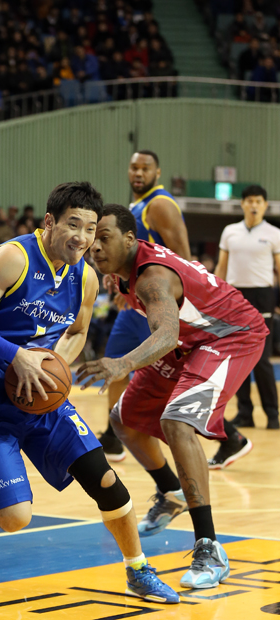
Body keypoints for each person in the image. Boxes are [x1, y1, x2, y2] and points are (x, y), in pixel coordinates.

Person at [0, 183, 179, 605]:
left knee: (106, 480)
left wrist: (55, 368)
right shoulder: (13, 258)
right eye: (74, 225)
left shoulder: (85, 278)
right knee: (15, 519)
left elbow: (76, 332)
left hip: (41, 394)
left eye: (90, 229)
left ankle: (138, 570)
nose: (83, 238)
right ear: (50, 222)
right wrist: (16, 356)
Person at [77, 204, 268, 588]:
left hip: (230, 336)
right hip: (190, 342)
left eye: (104, 238)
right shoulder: (129, 269)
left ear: (129, 239)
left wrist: (123, 363)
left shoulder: (152, 279)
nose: (95, 247)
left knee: (177, 422)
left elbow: (165, 334)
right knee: (123, 420)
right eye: (92, 239)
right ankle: (171, 490)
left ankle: (210, 547)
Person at [99, 150, 251, 474]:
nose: (138, 173)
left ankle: (228, 437)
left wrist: (150, 292)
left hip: (161, 301)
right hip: (139, 301)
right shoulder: (135, 206)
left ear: (158, 173)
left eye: (145, 168)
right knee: (124, 361)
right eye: (134, 167)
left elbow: (182, 258)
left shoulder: (160, 205)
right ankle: (114, 434)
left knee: (157, 374)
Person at [214, 184, 280, 430]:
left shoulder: (274, 233)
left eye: (258, 201)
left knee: (261, 358)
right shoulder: (230, 231)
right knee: (237, 357)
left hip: (262, 296)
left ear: (265, 205)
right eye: (250, 201)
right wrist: (214, 297)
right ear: (242, 204)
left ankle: (272, 414)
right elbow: (222, 266)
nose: (254, 205)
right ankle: (245, 413)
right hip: (234, 296)